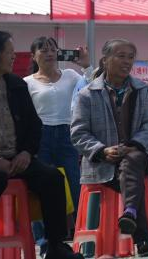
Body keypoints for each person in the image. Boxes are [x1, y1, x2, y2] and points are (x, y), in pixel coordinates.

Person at [0, 31, 85, 259]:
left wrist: (26, 152)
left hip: (16, 158)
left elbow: (34, 126)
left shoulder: (15, 85)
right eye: (8, 53)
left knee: (53, 177)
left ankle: (55, 246)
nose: (14, 57)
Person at [70, 39, 148, 257]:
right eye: (121, 56)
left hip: (138, 155)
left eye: (131, 57)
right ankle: (141, 237)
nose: (127, 61)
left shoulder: (143, 90)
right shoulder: (87, 94)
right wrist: (103, 150)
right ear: (105, 60)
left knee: (133, 159)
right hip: (103, 162)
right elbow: (78, 133)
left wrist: (132, 145)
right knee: (131, 169)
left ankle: (130, 212)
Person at [23, 36, 88, 243]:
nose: (49, 54)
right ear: (34, 56)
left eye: (53, 49)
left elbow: (94, 86)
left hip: (67, 134)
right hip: (40, 136)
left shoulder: (70, 75)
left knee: (74, 183)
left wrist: (86, 66)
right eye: (43, 50)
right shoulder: (27, 82)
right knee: (41, 185)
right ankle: (43, 239)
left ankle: (82, 234)